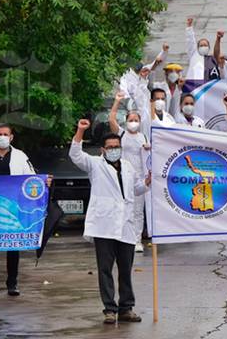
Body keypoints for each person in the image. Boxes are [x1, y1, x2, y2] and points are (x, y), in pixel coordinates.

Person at [69, 119, 149, 324]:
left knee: (125, 269)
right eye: (110, 148)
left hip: (126, 225)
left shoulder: (129, 166)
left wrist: (147, 182)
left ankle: (126, 308)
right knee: (105, 269)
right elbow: (75, 155)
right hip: (104, 226)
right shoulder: (95, 165)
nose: (114, 150)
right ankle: (109, 309)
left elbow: (136, 189)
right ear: (103, 150)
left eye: (117, 147)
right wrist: (80, 130)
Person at [0, 123, 39, 297]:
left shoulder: (20, 156)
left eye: (6, 134)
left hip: (13, 207)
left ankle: (12, 283)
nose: (2, 137)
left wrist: (43, 183)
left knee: (13, 245)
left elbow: (31, 177)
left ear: (11, 137)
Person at [108, 92, 150, 253]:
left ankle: (137, 240)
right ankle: (122, 239)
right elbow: (111, 119)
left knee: (138, 211)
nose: (133, 123)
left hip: (139, 177)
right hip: (123, 176)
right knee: (123, 209)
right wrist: (117, 101)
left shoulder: (144, 136)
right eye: (130, 120)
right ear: (125, 122)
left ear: (140, 122)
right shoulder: (122, 134)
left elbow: (149, 158)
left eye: (136, 120)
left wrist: (149, 148)